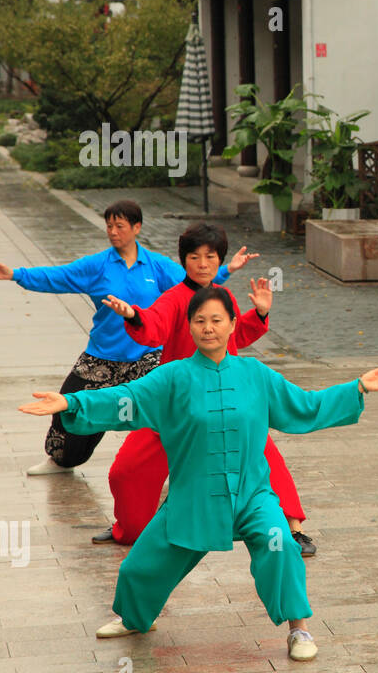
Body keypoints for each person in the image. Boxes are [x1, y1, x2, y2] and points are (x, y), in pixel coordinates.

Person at [18, 287, 378, 660]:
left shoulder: (256, 374)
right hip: (193, 497)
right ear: (189, 326)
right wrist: (71, 400)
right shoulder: (173, 377)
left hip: (253, 496)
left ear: (233, 324)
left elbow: (305, 405)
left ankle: (298, 628)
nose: (208, 327)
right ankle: (135, 618)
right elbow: (127, 399)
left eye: (217, 319)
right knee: (139, 566)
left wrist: (357, 389)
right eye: (199, 320)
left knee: (280, 545)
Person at [0, 199, 251, 475]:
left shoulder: (157, 266)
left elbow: (198, 283)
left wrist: (227, 270)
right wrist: (15, 275)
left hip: (146, 357)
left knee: (157, 413)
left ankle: (169, 468)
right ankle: (62, 460)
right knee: (69, 404)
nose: (113, 231)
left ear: (137, 227)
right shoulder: (98, 265)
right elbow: (58, 276)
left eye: (120, 226)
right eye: (109, 226)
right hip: (103, 355)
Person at [96, 222, 315, 557]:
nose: (201, 263)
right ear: (183, 260)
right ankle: (127, 528)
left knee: (264, 455)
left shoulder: (223, 297)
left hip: (228, 397)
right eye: (194, 256)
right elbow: (152, 327)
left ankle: (293, 529)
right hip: (176, 405)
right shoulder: (173, 300)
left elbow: (238, 336)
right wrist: (134, 315)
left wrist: (259, 313)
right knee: (126, 471)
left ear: (218, 261)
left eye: (209, 257)